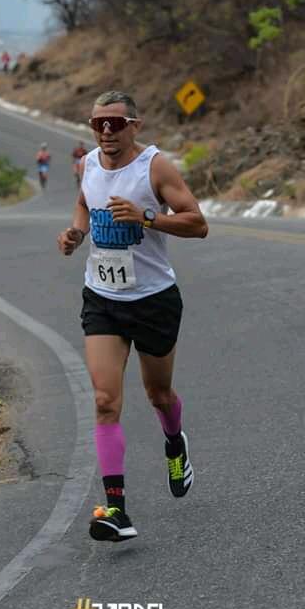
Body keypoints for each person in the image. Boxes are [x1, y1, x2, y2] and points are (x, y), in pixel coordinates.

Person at [56, 90, 208, 543]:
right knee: (105, 400)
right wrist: (76, 234)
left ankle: (174, 440)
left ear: (134, 125)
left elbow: (197, 223)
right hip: (102, 297)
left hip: (153, 299)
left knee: (158, 394)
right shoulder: (87, 165)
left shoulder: (154, 167)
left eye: (115, 122)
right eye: (98, 122)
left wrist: (147, 217)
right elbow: (85, 201)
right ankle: (115, 509)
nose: (106, 130)